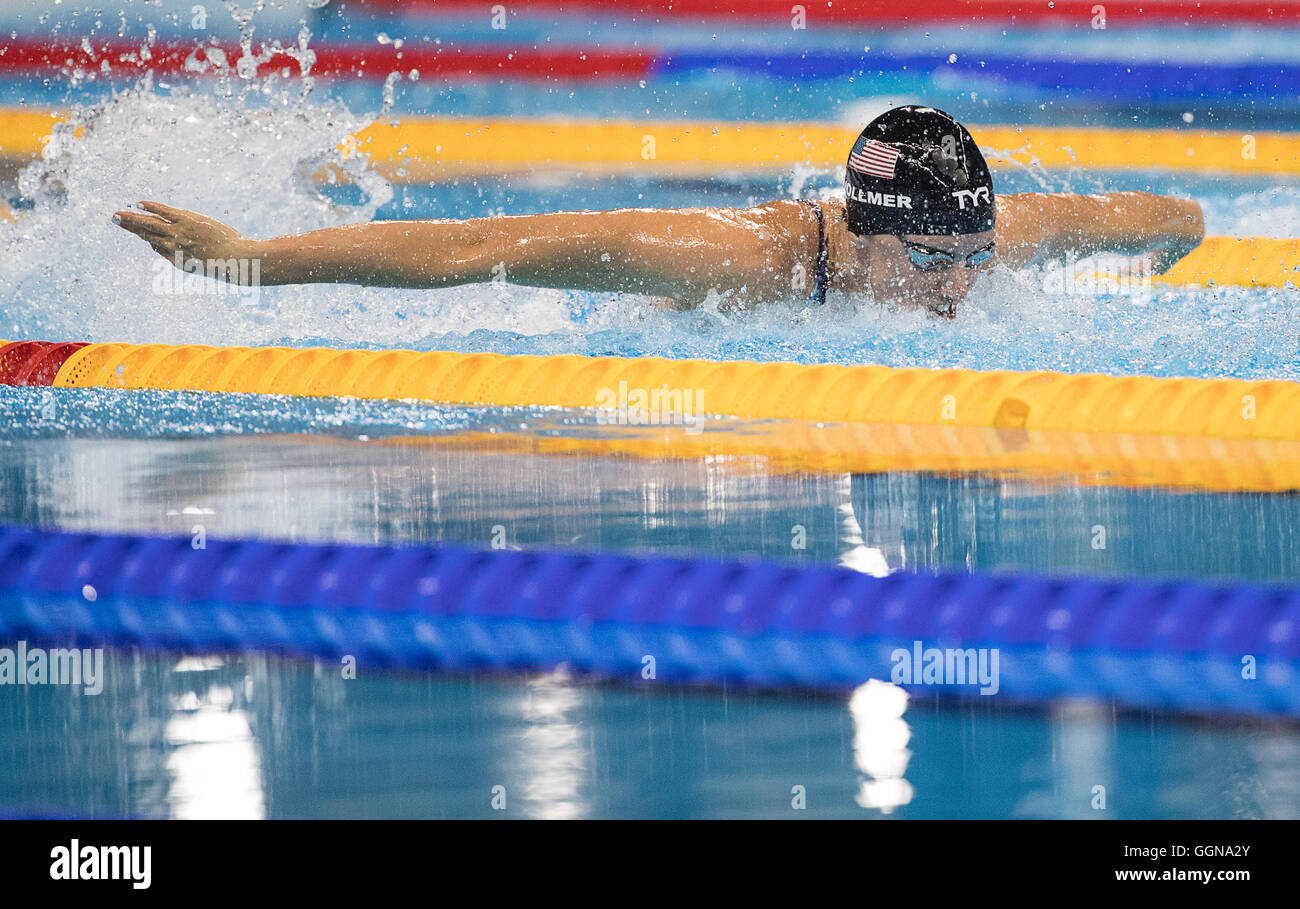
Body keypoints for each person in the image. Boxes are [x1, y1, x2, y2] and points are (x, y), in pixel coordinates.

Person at [113, 105, 1205, 319]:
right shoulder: (720, 260)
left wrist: (1141, 274)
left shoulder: (983, 239)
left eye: (975, 253)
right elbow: (475, 248)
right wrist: (251, 258)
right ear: (860, 226)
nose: (960, 283)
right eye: (930, 257)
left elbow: (1180, 217)